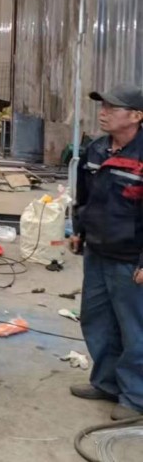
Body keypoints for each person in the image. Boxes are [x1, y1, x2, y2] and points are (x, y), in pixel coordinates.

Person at [69, 83, 143, 420]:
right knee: (97, 319)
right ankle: (107, 383)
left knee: (134, 328)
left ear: (137, 116)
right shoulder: (96, 150)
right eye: (103, 106)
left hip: (130, 258)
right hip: (97, 252)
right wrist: (78, 231)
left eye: (112, 108)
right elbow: (84, 197)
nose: (103, 113)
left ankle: (136, 398)